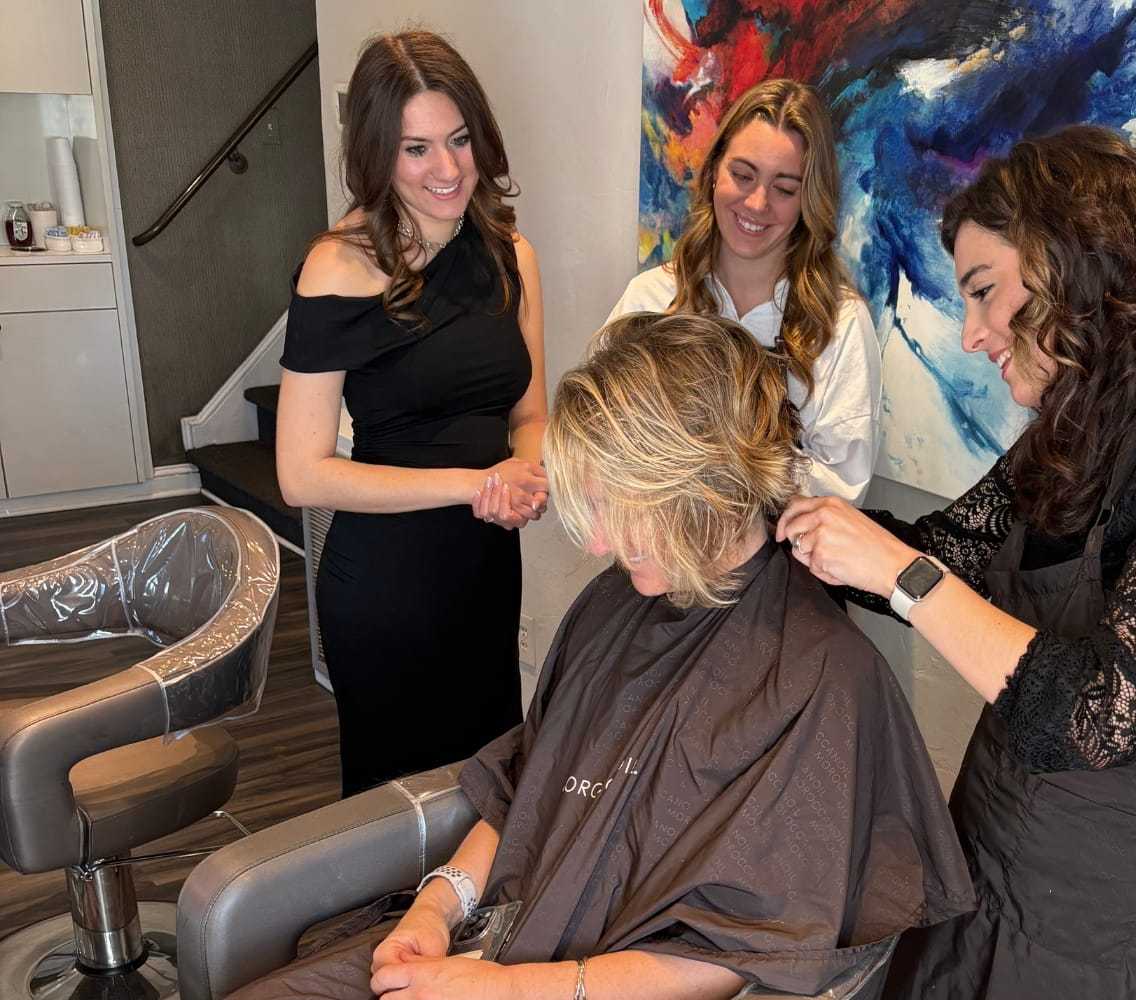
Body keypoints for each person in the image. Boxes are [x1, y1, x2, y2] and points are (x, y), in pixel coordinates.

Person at [231, 312, 974, 1000]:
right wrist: (439, 903)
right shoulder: (616, 601)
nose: (595, 543)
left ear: (703, 489)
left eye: (619, 507)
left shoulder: (821, 677)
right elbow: (535, 781)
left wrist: (514, 992)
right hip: (500, 935)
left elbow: (749, 951)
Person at [776, 126, 1136, 1000]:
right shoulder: (1071, 433)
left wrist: (899, 576)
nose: (971, 334)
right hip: (984, 838)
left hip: (1107, 905)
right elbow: (944, 552)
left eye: (985, 292)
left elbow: (1105, 713)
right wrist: (773, 518)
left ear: (1072, 263)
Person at [276, 31, 548, 797]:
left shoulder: (511, 255)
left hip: (484, 570)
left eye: (459, 140)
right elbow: (301, 475)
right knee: (393, 814)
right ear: (378, 155)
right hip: (385, 587)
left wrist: (526, 471)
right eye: (417, 149)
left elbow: (530, 412)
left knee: (487, 790)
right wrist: (475, 484)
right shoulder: (337, 267)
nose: (449, 169)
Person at [611, 78, 882, 504]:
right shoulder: (650, 298)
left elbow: (840, 493)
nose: (757, 203)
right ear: (713, 173)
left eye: (784, 189)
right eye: (742, 175)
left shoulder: (840, 323)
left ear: (809, 200)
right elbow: (601, 434)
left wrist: (720, 457)